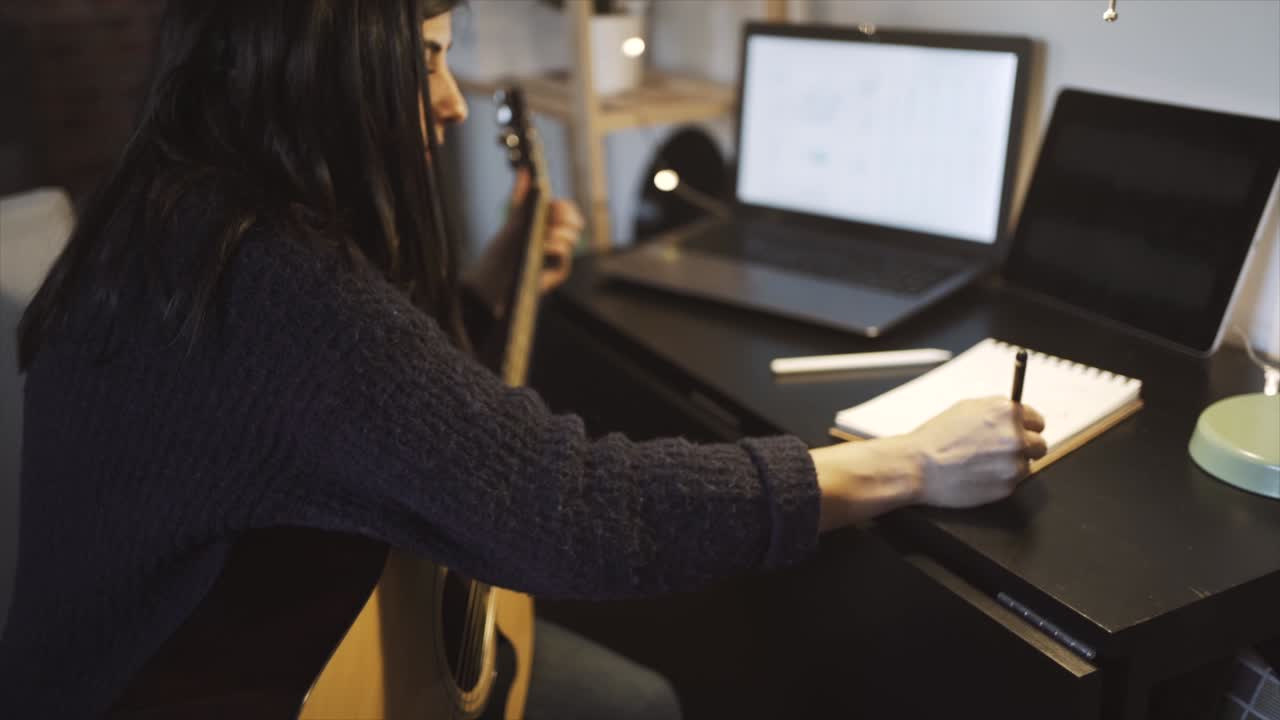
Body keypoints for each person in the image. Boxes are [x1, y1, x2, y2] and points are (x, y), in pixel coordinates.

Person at [0, 1, 1047, 718]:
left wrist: (486, 292)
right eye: (424, 58)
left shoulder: (174, 207)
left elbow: (323, 416)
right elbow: (579, 510)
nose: (451, 101)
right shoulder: (269, 280)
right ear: (313, 60)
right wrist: (906, 462)